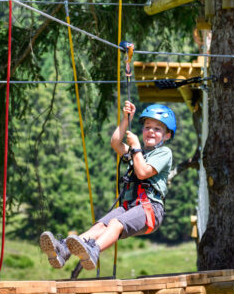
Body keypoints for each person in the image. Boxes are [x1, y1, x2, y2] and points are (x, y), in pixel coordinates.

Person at [39, 100, 175, 270]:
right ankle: (64, 249)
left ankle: (93, 251)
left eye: (157, 129)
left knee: (115, 223)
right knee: (100, 225)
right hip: (131, 206)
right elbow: (116, 143)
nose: (151, 132)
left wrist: (136, 147)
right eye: (147, 127)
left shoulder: (164, 152)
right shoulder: (137, 152)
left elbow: (142, 172)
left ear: (167, 135)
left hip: (150, 208)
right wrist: (126, 120)